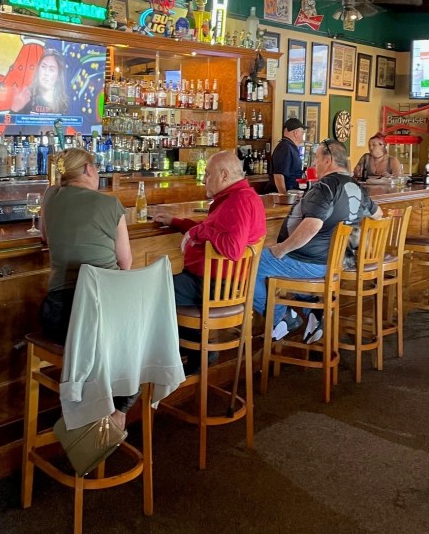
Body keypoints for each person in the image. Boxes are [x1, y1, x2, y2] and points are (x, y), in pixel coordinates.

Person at [39, 147, 135, 425]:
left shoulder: (50, 196)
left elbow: (46, 238)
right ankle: (116, 414)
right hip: (100, 317)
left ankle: (89, 414)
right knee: (134, 341)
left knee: (111, 345)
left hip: (57, 316)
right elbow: (125, 263)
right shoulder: (110, 205)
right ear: (89, 170)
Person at [254, 139, 382, 335]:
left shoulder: (324, 188)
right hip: (334, 263)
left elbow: (312, 226)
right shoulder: (355, 187)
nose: (314, 164)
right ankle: (315, 311)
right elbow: (378, 214)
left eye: (317, 159)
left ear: (328, 160)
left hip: (311, 263)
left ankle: (282, 317)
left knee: (251, 265)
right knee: (282, 266)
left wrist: (281, 249)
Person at [154, 150, 266, 372]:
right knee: (157, 290)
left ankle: (196, 352)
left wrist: (199, 231)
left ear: (223, 176)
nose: (204, 179)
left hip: (213, 286)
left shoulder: (240, 201)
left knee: (150, 292)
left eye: (208, 174)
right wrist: (179, 223)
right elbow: (215, 230)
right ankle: (194, 352)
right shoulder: (239, 197)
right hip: (214, 283)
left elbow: (233, 249)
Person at [13, 48, 70, 115]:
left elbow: (60, 125)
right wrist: (14, 109)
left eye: (51, 70)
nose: (46, 73)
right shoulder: (26, 97)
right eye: (43, 67)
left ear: (58, 76)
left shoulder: (62, 102)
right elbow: (10, 124)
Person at [268, 117, 305, 193]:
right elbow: (278, 175)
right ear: (296, 133)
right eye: (302, 132)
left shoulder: (290, 147)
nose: (303, 135)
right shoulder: (285, 148)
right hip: (283, 195)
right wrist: (284, 196)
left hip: (292, 192)